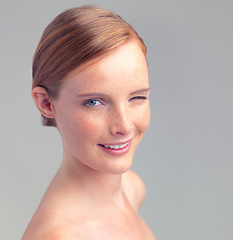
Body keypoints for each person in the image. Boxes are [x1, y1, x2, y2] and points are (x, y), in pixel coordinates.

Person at [22, 5, 155, 240]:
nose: (124, 126)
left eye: (137, 97)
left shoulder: (132, 189)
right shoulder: (60, 235)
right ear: (46, 104)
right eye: (94, 102)